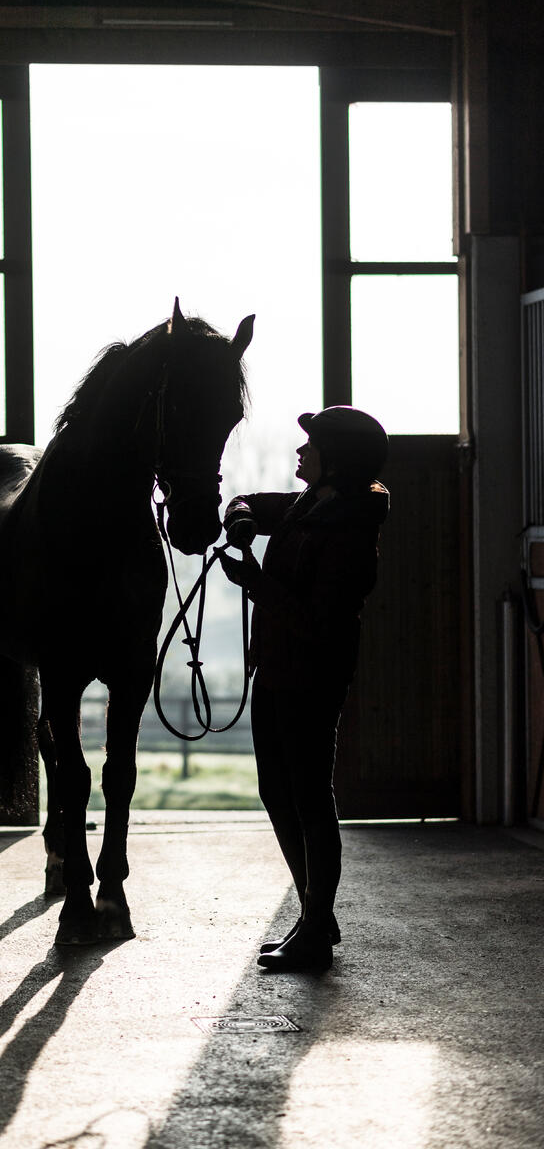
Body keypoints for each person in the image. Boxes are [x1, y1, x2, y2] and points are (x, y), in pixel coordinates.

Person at [220, 406, 389, 972]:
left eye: (310, 446)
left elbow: (318, 623)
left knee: (311, 797)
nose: (299, 453)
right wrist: (240, 517)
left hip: (311, 677)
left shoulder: (349, 534)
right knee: (277, 790)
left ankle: (317, 925)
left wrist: (254, 584)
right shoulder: (307, 505)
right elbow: (245, 502)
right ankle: (317, 914)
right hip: (276, 671)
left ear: (334, 460)